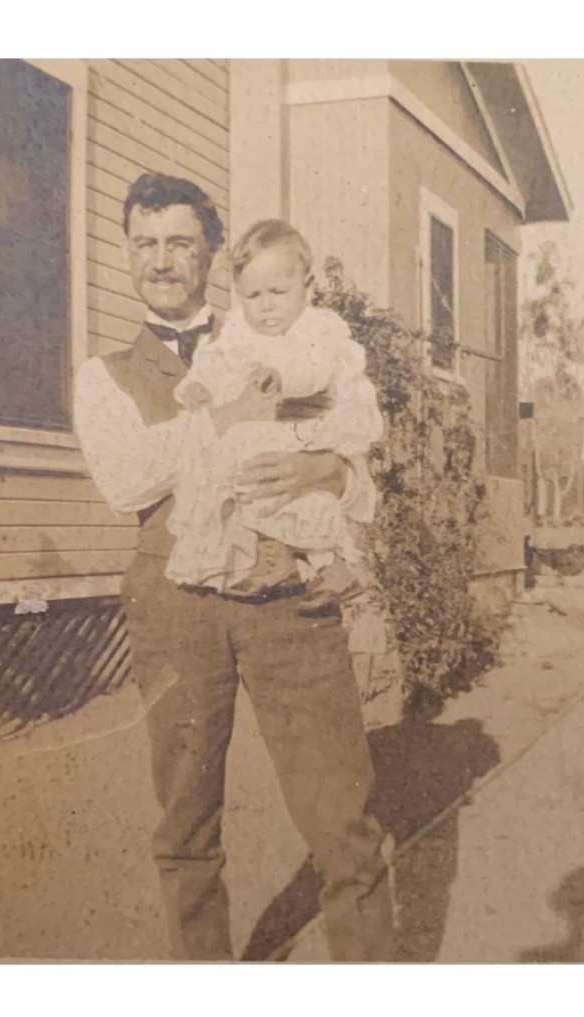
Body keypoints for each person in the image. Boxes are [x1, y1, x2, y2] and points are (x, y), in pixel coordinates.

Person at [75, 172, 395, 962]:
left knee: (341, 818)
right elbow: (127, 481)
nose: (161, 260)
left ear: (213, 251)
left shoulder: (286, 332)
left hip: (290, 597)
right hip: (176, 607)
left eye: (180, 242)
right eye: (145, 243)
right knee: (186, 820)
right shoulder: (103, 375)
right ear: (127, 253)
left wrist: (327, 471)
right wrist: (231, 415)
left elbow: (363, 471)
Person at [165, 218, 383, 614]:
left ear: (307, 286)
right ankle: (283, 559)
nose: (266, 305)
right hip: (267, 429)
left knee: (289, 489)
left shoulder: (317, 328)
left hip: (307, 426)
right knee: (247, 483)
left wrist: (283, 376)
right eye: (253, 295)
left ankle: (327, 564)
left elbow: (314, 369)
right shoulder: (237, 332)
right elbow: (214, 364)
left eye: (278, 292)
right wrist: (197, 387)